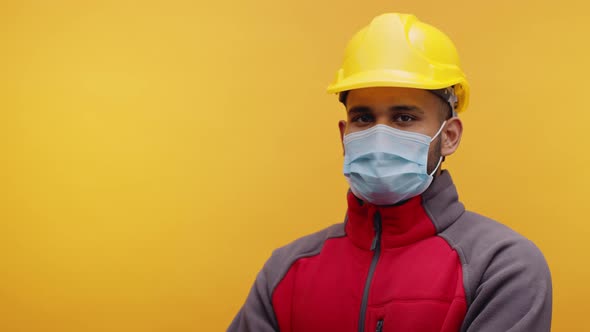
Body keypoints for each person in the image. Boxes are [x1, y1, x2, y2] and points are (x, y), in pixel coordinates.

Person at [228, 13, 552, 332]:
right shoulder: (287, 272)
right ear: (344, 135)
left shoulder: (501, 267)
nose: (380, 136)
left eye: (403, 118)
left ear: (449, 135)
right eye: (364, 118)